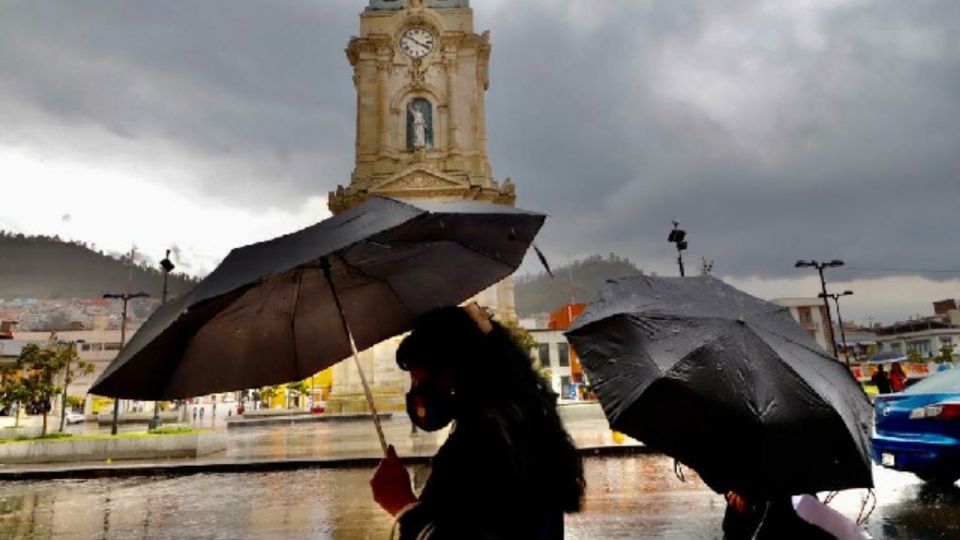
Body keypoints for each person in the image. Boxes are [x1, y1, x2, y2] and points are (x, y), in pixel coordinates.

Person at [370, 304, 585, 539]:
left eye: (419, 379)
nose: (417, 392)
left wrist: (403, 506)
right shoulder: (520, 425)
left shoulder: (483, 444)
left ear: (452, 372)